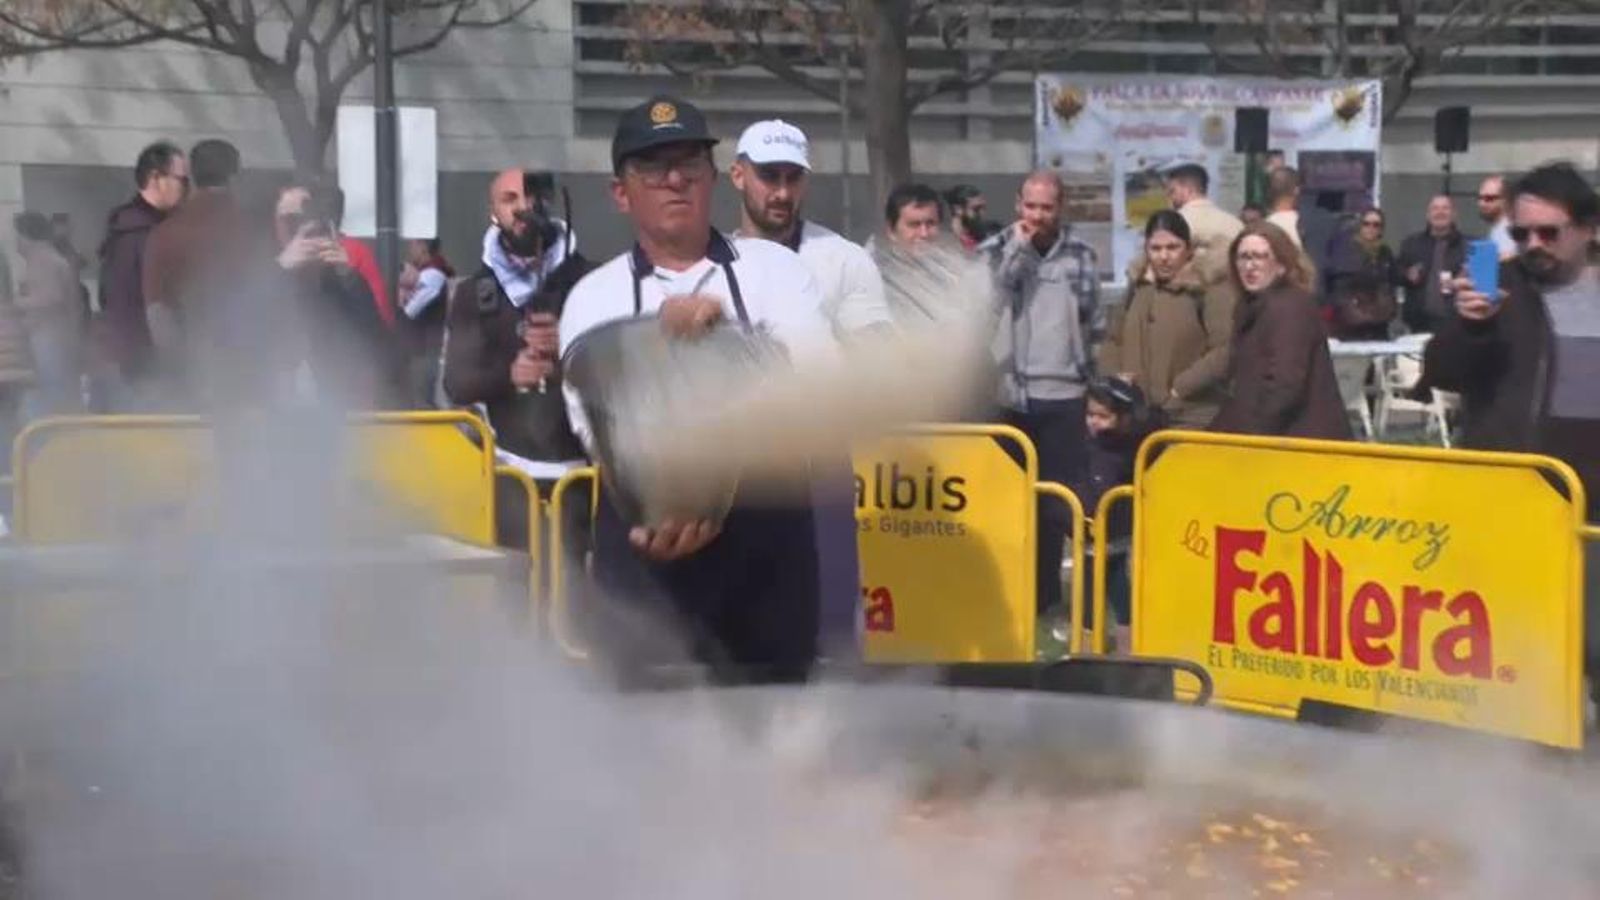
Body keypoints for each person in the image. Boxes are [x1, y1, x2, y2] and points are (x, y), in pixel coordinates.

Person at [558, 95, 834, 682]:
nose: (675, 180)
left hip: (767, 538)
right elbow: (596, 426)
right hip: (644, 542)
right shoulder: (593, 298)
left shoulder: (774, 271)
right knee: (644, 732)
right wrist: (672, 493)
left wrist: (723, 341)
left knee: (776, 725)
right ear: (621, 192)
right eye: (653, 168)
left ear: (713, 179)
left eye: (690, 164)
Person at [1422, 163, 1600, 701]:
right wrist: (1470, 325)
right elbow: (1442, 371)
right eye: (1522, 233)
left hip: (1593, 500)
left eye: (1550, 232)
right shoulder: (1493, 276)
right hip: (1519, 492)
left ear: (1590, 229)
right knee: (1523, 646)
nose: (1534, 245)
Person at [442, 168, 591, 547]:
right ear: (493, 210)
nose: (523, 208)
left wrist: (568, 351)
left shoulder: (590, 281)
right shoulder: (474, 293)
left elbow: (618, 374)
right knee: (515, 588)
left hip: (583, 476)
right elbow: (456, 384)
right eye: (510, 199)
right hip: (509, 476)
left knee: (577, 594)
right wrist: (510, 375)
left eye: (531, 197)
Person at [982, 170, 1101, 620]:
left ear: (1060, 207)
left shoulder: (1081, 255)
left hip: (1064, 395)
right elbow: (986, 308)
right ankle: (1007, 597)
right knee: (1008, 504)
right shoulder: (993, 252)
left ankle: (1047, 601)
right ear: (1018, 205)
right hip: (1010, 395)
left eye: (1046, 207)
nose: (1037, 216)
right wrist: (1018, 251)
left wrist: (1091, 383)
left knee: (1056, 507)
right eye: (1030, 206)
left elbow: (1094, 325)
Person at [729, 119, 891, 340]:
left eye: (794, 177)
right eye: (769, 176)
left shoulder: (845, 261)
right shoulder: (709, 264)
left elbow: (878, 358)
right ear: (738, 176)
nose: (783, 193)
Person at [1210, 222, 1350, 440]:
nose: (1250, 266)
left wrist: (1249, 436)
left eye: (1260, 256)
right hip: (1270, 439)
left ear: (1281, 265)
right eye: (1243, 257)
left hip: (1299, 443)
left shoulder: (1290, 306)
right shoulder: (1250, 307)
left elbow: (1285, 384)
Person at [1099, 210, 1235, 428]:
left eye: (1173, 247)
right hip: (1136, 414)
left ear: (1188, 250)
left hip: (1191, 415)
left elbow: (1225, 348)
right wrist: (1116, 378)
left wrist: (1180, 387)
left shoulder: (1208, 288)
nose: (1164, 256)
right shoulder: (1138, 288)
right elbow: (1113, 339)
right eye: (1156, 248)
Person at [142, 138, 244, 395]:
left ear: (192, 176)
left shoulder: (166, 233)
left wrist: (177, 367)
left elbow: (157, 310)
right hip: (252, 366)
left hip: (196, 368)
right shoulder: (254, 228)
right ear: (235, 174)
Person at [1074, 377, 1164, 653]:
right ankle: (1090, 648)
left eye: (1103, 416)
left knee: (1115, 593)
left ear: (1123, 419)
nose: (1094, 422)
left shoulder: (1121, 448)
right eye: (1090, 415)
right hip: (1092, 534)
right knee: (1093, 595)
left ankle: (1109, 648)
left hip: (1112, 532)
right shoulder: (1091, 445)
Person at [96, 141, 187, 409]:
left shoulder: (131, 227)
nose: (185, 187)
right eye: (181, 179)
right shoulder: (139, 234)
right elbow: (131, 301)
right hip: (146, 366)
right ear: (156, 179)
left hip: (142, 359)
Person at [13, 212, 85, 417]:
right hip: (51, 335)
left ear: (27, 236)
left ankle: (59, 434)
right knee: (55, 388)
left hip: (50, 337)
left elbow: (52, 298)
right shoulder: (45, 258)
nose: (16, 242)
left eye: (17, 235)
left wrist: (18, 303)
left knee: (55, 389)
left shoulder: (44, 259)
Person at [1325, 206, 1399, 341]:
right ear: (1360, 226)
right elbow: (1339, 290)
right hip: (1352, 328)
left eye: (1376, 225)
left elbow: (1391, 284)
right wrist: (1358, 315)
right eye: (1366, 224)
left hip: (1379, 326)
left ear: (1381, 229)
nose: (1371, 228)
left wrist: (1387, 310)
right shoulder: (1346, 251)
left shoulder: (1385, 253)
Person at [1397, 194, 1468, 334]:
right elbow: (1395, 273)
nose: (1440, 212)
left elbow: (1483, 280)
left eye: (1445, 208)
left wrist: (1466, 277)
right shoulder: (1411, 244)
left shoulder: (1468, 246)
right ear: (1428, 215)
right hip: (1418, 324)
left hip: (1457, 323)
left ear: (1454, 214)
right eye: (1435, 208)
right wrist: (1407, 275)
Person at [396, 238, 454, 407]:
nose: (409, 249)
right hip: (418, 351)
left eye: (413, 244)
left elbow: (410, 311)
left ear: (423, 246)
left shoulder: (433, 275)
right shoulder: (425, 273)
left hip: (424, 352)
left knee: (422, 404)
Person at [1162, 163, 1243, 268]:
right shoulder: (1235, 224)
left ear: (1187, 189)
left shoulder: (1171, 224)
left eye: (1172, 191)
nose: (1169, 198)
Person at [1478, 174, 1517, 260]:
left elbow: (1508, 261)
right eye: (1480, 198)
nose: (1482, 203)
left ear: (1505, 200)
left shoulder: (1510, 229)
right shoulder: (1497, 228)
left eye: (1489, 198)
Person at [944, 184, 989, 250]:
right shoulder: (947, 241)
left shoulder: (983, 234)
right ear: (958, 209)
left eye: (984, 208)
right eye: (976, 209)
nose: (982, 213)